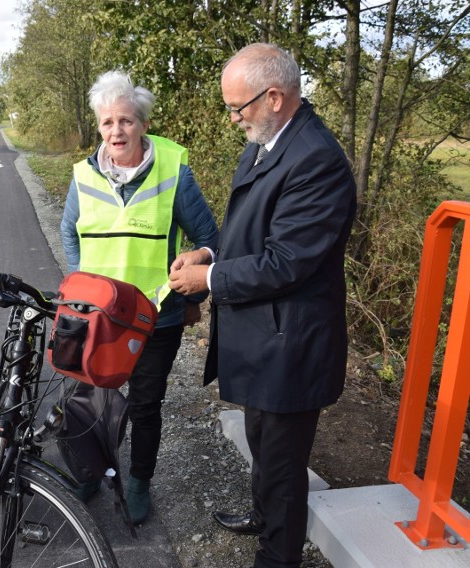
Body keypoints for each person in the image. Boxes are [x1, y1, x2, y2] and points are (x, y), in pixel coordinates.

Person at [168, 43, 356, 568]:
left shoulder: (315, 158)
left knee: (281, 463)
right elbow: (247, 232)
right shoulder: (265, 142)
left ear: (274, 96)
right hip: (261, 335)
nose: (233, 118)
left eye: (238, 107)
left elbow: (285, 263)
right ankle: (263, 515)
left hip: (290, 342)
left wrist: (208, 276)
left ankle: (278, 554)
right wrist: (208, 250)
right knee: (261, 441)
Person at [60, 70, 219, 524]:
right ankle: (90, 470)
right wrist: (80, 286)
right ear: (99, 126)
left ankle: (139, 482)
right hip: (97, 318)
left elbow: (211, 238)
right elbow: (69, 234)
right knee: (88, 399)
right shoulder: (83, 176)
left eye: (126, 121)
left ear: (143, 124)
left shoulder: (173, 173)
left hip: (156, 316)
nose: (117, 131)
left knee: (146, 405)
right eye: (108, 122)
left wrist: (197, 260)